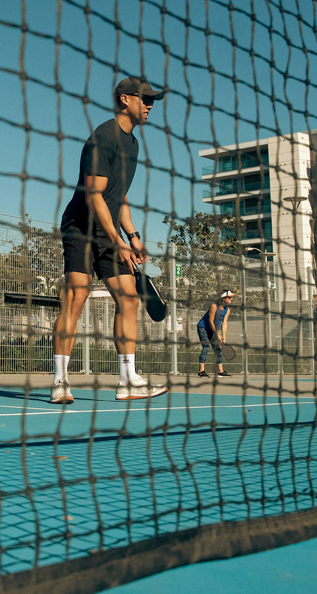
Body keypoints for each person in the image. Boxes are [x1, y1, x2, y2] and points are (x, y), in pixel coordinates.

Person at [50, 77, 170, 404]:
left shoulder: (132, 144)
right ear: (123, 99)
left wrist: (133, 235)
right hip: (80, 228)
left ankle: (128, 379)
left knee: (129, 298)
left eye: (152, 100)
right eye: (144, 98)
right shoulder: (104, 138)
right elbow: (94, 196)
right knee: (76, 298)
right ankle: (60, 381)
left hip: (110, 231)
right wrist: (118, 240)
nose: (149, 105)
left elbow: (119, 195)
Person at [197, 291, 234, 378]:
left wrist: (223, 337)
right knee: (206, 347)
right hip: (203, 327)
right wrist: (217, 334)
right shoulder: (214, 306)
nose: (231, 299)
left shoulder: (227, 310)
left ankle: (220, 372)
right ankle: (201, 371)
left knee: (218, 348)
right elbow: (210, 321)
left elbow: (224, 324)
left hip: (213, 330)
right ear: (224, 298)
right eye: (229, 297)